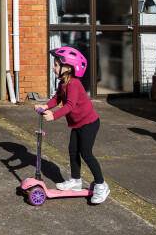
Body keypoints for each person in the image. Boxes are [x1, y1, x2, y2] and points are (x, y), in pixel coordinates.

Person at [35, 47, 110, 204]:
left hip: (89, 123)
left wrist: (54, 115)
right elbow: (56, 99)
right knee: (73, 151)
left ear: (67, 68)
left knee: (86, 153)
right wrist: (45, 106)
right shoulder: (63, 84)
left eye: (56, 64)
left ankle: (101, 185)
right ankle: (76, 180)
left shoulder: (74, 84)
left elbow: (69, 105)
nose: (53, 67)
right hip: (77, 124)